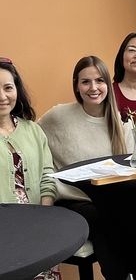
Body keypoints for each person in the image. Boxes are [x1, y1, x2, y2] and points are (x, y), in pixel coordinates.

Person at [40, 56, 133, 280]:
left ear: (107, 85)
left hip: (110, 200)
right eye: (85, 82)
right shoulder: (58, 116)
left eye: (99, 81)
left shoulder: (121, 122)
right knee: (107, 221)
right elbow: (31, 139)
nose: (93, 88)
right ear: (77, 86)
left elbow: (130, 169)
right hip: (73, 201)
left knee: (133, 217)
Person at [0, 57, 59, 280]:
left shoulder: (33, 130)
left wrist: (43, 216)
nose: (2, 97)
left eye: (8, 88)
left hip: (37, 228)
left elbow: (47, 174)